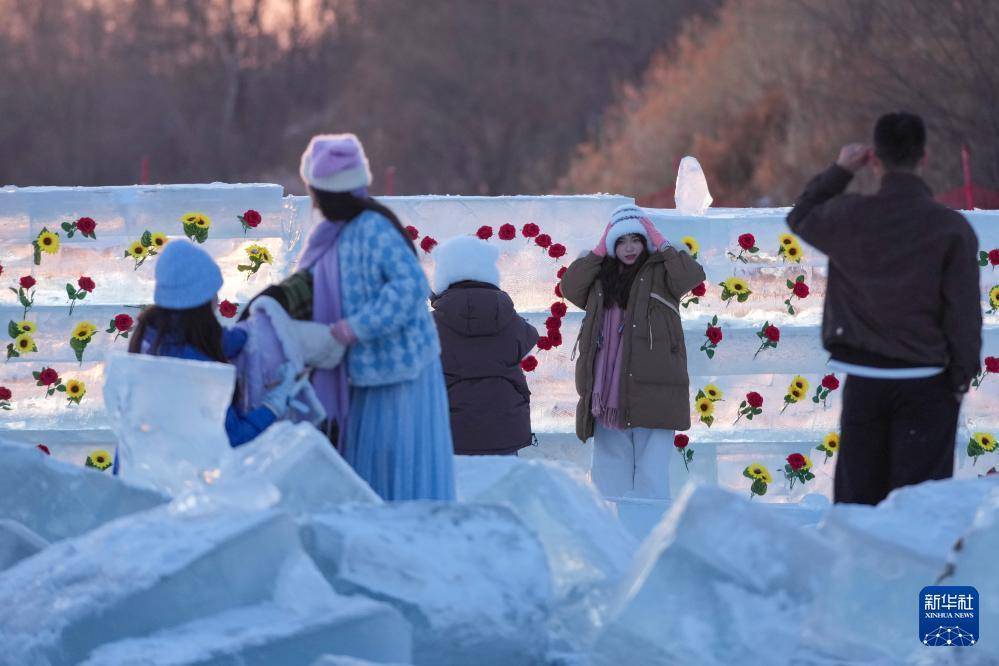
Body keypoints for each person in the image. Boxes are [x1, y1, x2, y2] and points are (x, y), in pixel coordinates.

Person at [786, 112, 982, 505]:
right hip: (928, 382)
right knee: (919, 510)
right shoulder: (950, 227)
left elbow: (801, 216)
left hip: (865, 380)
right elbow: (962, 314)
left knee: (859, 508)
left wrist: (841, 170)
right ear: (924, 157)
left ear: (874, 159)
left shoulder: (850, 216)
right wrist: (961, 379)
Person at [296, 133, 455, 501]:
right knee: (373, 472)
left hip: (402, 374)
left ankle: (404, 527)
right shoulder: (334, 234)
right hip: (367, 372)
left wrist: (353, 328)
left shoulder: (373, 228)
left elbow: (410, 287)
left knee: (396, 473)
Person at [560, 204, 705, 499]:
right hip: (607, 396)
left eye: (636, 240)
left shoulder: (663, 272)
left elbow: (691, 276)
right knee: (609, 482)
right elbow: (569, 287)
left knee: (652, 480)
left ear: (646, 241)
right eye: (620, 241)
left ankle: (651, 529)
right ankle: (614, 529)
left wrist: (661, 243)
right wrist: (598, 251)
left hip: (655, 394)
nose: (628, 248)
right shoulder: (599, 278)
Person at [128, 240, 299, 448]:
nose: (217, 301)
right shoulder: (197, 372)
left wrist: (245, 332)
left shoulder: (152, 334)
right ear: (202, 303)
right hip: (175, 466)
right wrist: (273, 405)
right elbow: (231, 439)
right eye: (213, 293)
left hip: (136, 461)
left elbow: (209, 341)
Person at [431, 235, 539, 456]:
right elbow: (530, 338)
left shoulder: (431, 324)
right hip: (506, 430)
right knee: (504, 480)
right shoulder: (512, 320)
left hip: (450, 433)